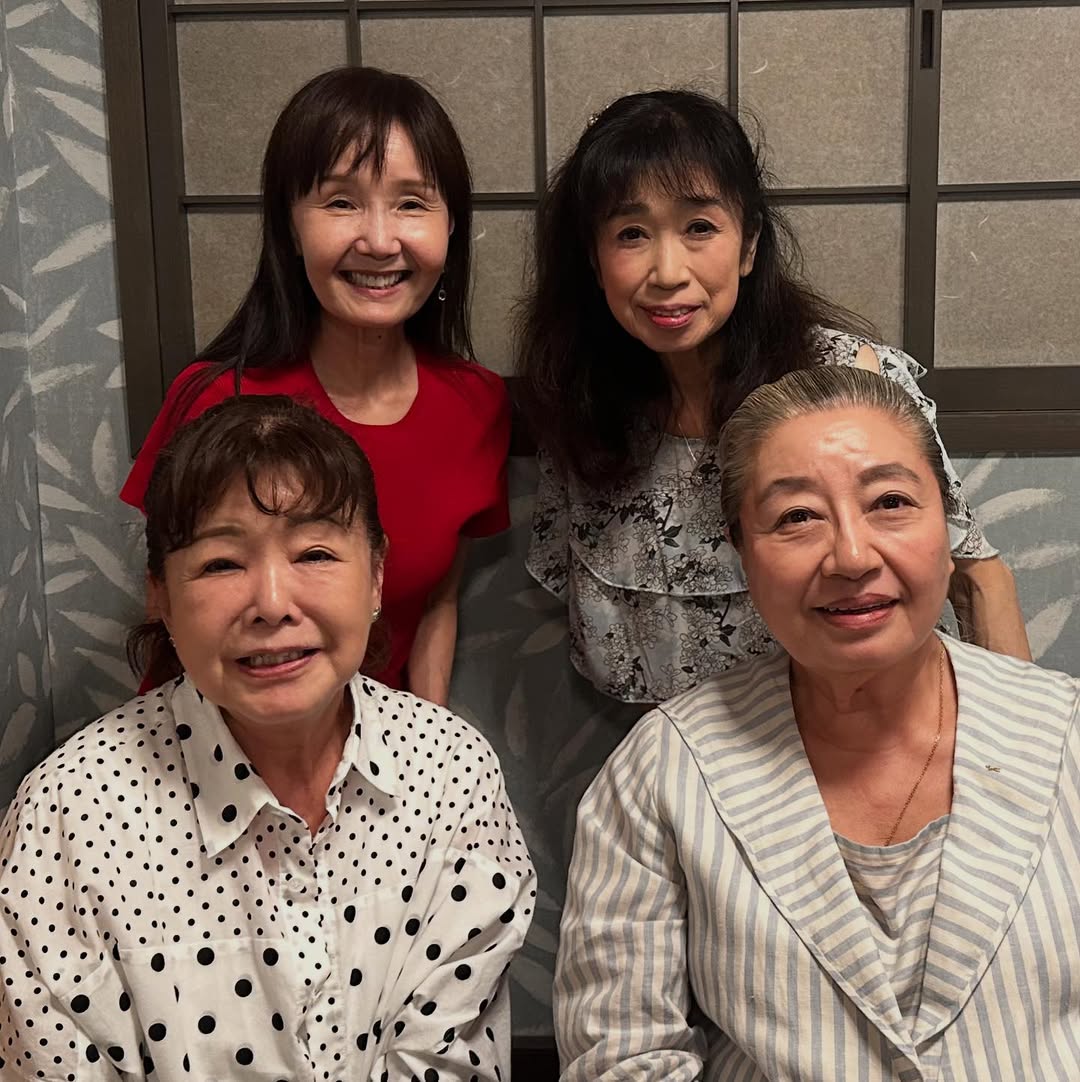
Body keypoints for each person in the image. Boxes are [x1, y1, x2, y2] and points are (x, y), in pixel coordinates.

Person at [554, 366, 1079, 1081]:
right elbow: (621, 1058)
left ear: (948, 525)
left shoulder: (1065, 732)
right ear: (741, 549)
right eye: (797, 517)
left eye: (890, 502)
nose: (853, 557)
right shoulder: (665, 770)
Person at [1, 395, 535, 1082]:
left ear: (376, 576)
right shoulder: (68, 814)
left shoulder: (451, 771)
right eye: (222, 564)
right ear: (160, 595)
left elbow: (447, 1058)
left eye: (315, 553)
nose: (274, 604)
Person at [515, 88, 1029, 704]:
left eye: (700, 227)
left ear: (749, 244)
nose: (668, 272)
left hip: (867, 730)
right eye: (631, 233)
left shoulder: (848, 381)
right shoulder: (579, 403)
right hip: (668, 750)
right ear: (594, 261)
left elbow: (978, 579)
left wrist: (1020, 747)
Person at [121, 66, 510, 705]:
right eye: (340, 202)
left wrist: (428, 740)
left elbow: (437, 599)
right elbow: (173, 603)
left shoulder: (477, 404)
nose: (379, 241)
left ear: (451, 227)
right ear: (290, 229)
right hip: (207, 738)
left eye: (412, 203)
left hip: (373, 743)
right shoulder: (215, 397)